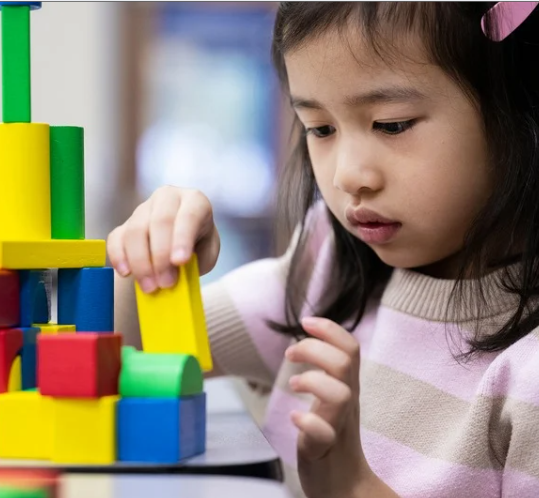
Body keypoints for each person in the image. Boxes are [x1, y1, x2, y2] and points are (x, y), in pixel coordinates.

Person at [108, 2, 539, 497]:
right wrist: (149, 264)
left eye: (391, 124)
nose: (347, 176)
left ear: (520, 111)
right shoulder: (324, 269)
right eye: (321, 129)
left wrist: (355, 487)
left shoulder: (527, 373)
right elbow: (136, 351)